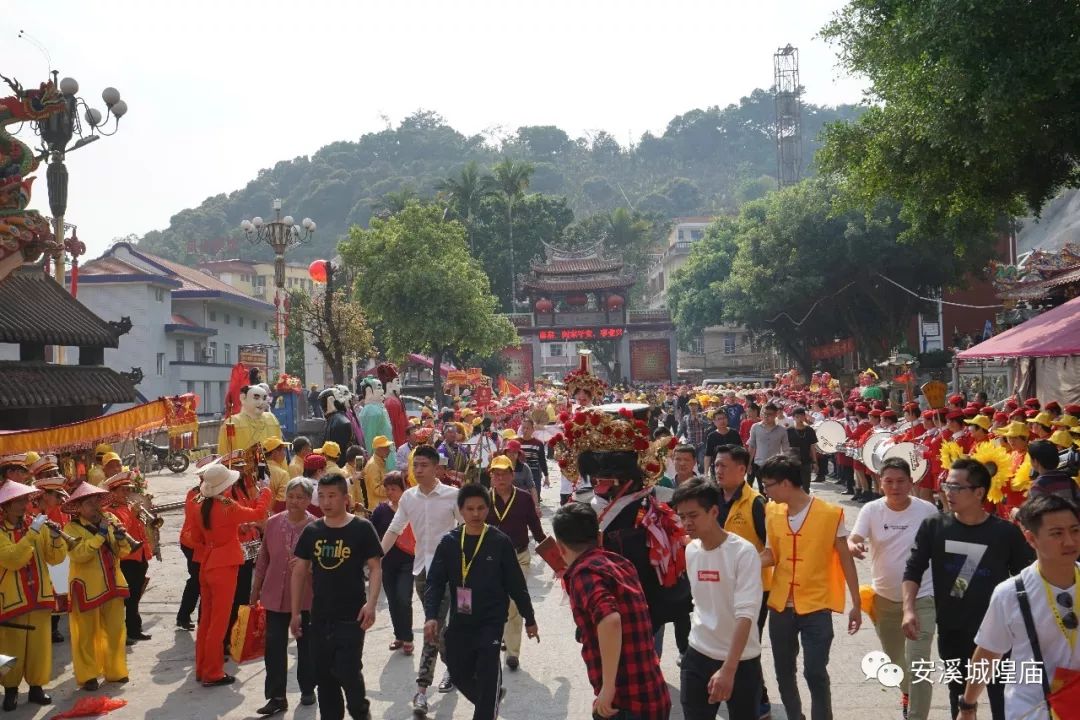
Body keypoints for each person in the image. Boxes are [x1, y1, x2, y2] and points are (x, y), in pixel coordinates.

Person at [902, 458, 1034, 719]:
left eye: (956, 487)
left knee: (1002, 698)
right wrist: (908, 609)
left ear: (979, 492)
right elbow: (913, 569)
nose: (948, 493)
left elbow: (1027, 579)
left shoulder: (1005, 533)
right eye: (946, 486)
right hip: (953, 628)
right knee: (959, 697)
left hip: (998, 634)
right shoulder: (934, 526)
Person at [958, 494, 1080, 720]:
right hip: (1033, 711)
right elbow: (987, 653)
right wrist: (968, 705)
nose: (1070, 541)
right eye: (1057, 534)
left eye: (1075, 530)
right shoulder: (1011, 593)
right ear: (1031, 539)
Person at [759, 455, 861, 720]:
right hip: (781, 605)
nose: (765, 490)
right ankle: (795, 716)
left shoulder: (830, 514)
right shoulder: (772, 511)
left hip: (817, 605)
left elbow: (846, 560)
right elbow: (771, 553)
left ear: (784, 484)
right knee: (783, 671)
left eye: (768, 485)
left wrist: (857, 604)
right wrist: (740, 562)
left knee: (815, 671)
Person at [424, 484, 538, 719]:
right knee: (456, 668)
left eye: (481, 508)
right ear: (461, 511)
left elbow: (516, 584)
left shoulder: (500, 542)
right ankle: (489, 697)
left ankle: (487, 706)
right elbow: (434, 583)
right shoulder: (449, 543)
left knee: (488, 669)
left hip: (491, 620)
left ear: (488, 510)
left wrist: (530, 618)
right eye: (470, 509)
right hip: (461, 618)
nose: (476, 514)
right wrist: (431, 616)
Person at [552, 502, 671, 719]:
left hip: (626, 704)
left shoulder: (584, 574)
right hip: (653, 694)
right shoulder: (620, 563)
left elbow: (611, 620)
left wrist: (608, 689)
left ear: (560, 547)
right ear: (599, 537)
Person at [848, 457, 939, 720]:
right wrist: (854, 545)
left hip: (923, 597)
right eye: (889, 481)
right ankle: (907, 693)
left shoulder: (928, 511)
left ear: (911, 483)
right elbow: (855, 537)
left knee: (919, 663)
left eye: (901, 481)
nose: (895, 487)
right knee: (897, 660)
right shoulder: (872, 510)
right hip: (885, 599)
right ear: (880, 482)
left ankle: (916, 716)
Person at [291, 473, 383, 720]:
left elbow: (375, 567)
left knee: (348, 671)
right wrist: (295, 613)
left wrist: (371, 604)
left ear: (346, 498)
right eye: (321, 496)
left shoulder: (362, 528)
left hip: (352, 616)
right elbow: (299, 572)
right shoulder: (312, 531)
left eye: (332, 496)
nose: (326, 502)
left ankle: (360, 713)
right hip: (320, 616)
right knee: (324, 677)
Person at [379, 445, 461, 715]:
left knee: (432, 626)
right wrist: (375, 558)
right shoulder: (408, 499)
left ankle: (422, 690)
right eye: (415, 465)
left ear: (437, 467)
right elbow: (394, 529)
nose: (418, 470)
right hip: (422, 572)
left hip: (449, 573)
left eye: (424, 465)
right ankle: (456, 668)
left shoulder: (453, 496)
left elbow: (468, 529)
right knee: (438, 627)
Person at [673, 478, 764, 720]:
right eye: (682, 517)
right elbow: (700, 603)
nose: (686, 523)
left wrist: (728, 669)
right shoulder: (691, 550)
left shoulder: (743, 553)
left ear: (714, 511)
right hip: (698, 654)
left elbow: (746, 615)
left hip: (741, 661)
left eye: (693, 515)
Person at [189, 461, 271, 687]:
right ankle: (213, 672)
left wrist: (230, 530)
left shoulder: (199, 506)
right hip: (224, 567)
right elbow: (259, 512)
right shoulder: (227, 506)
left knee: (206, 620)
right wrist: (265, 492)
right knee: (219, 622)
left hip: (207, 563)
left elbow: (197, 538)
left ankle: (202, 667)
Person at [713, 444, 772, 719]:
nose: (718, 470)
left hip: (753, 590)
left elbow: (772, 552)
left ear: (742, 469)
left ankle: (759, 701)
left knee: (747, 646)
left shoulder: (757, 503)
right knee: (724, 642)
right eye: (716, 465)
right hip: (717, 587)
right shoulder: (710, 500)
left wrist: (744, 567)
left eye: (724, 466)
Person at [251, 478, 317, 716]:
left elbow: (325, 566)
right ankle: (277, 696)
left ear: (309, 500)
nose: (294, 501)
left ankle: (308, 688)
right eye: (291, 496)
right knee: (274, 646)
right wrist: (255, 590)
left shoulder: (317, 528)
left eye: (300, 497)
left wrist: (308, 567)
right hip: (274, 595)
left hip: (306, 598)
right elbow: (263, 558)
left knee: (306, 645)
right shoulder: (272, 522)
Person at [0, 479, 67, 710]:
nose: (22, 505)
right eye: (16, 502)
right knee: (11, 649)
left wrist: (58, 539)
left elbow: (55, 559)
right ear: (5, 507)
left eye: (23, 500)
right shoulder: (1, 532)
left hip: (40, 596)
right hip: (11, 600)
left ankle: (37, 688)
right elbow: (13, 559)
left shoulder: (36, 525)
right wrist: (32, 533)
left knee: (39, 647)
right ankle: (10, 690)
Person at [61, 482, 132, 691]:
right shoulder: (70, 528)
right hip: (87, 588)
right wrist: (100, 535)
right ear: (79, 508)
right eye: (89, 503)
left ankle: (116, 671)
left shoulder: (110, 519)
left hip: (113, 583)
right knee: (86, 634)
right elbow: (79, 554)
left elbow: (123, 552)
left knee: (116, 630)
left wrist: (121, 539)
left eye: (96, 502)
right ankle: (88, 675)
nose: (95, 507)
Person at [486, 454, 546, 671]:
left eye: (504, 473)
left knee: (513, 603)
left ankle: (512, 652)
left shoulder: (522, 498)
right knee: (498, 602)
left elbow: (536, 529)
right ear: (491, 477)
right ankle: (503, 636)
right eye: (496, 474)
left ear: (513, 475)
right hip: (491, 561)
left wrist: (557, 559)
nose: (500, 478)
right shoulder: (483, 500)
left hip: (519, 557)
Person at [104, 471, 153, 645]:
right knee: (128, 598)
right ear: (113, 492)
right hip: (126, 558)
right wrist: (133, 515)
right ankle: (129, 630)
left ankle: (134, 629)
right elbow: (121, 532)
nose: (127, 493)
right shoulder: (109, 511)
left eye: (128, 490)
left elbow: (141, 530)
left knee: (135, 597)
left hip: (139, 555)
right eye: (123, 490)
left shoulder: (128, 506)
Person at [370, 472, 416, 657]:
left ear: (403, 489)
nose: (390, 492)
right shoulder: (380, 510)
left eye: (394, 489)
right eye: (387, 488)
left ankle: (408, 638)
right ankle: (399, 636)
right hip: (386, 563)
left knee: (404, 598)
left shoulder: (411, 509)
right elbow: (371, 533)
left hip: (408, 561)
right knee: (393, 601)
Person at [176, 477, 202, 632]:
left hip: (203, 544)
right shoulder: (194, 494)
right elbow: (196, 513)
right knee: (197, 580)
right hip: (192, 543)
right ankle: (184, 616)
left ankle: (186, 616)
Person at [747, 403, 790, 493]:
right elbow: (752, 446)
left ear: (775, 415)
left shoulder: (782, 430)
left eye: (769, 414)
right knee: (761, 490)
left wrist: (786, 465)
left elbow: (786, 450)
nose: (766, 416)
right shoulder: (755, 427)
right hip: (759, 464)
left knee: (774, 491)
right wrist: (748, 463)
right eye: (764, 413)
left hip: (774, 466)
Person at [786, 407, 819, 492]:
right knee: (793, 486)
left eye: (801, 416)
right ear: (793, 417)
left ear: (805, 417)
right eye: (797, 417)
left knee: (806, 486)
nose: (799, 419)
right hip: (792, 462)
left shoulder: (810, 430)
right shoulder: (789, 430)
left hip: (806, 461)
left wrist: (815, 462)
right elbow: (784, 447)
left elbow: (812, 447)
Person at [704, 411, 741, 479]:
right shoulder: (711, 436)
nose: (722, 421)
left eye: (724, 418)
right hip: (717, 470)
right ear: (714, 422)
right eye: (719, 419)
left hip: (732, 469)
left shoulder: (734, 433)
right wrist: (706, 473)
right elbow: (708, 455)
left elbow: (741, 452)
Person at [517, 418, 549, 493]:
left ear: (532, 429)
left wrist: (546, 476)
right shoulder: (517, 442)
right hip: (519, 474)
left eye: (527, 428)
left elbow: (542, 460)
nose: (525, 430)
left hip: (534, 474)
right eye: (523, 428)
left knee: (535, 498)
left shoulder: (538, 444)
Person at [678, 398, 709, 470]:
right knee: (690, 462)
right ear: (688, 407)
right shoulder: (685, 417)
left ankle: (702, 477)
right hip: (690, 444)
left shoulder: (702, 415)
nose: (693, 407)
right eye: (691, 405)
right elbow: (681, 429)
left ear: (697, 406)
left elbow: (708, 425)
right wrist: (675, 439)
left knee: (701, 462)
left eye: (694, 405)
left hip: (701, 444)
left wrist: (699, 419)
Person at [363, 436, 392, 513]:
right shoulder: (373, 465)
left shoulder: (380, 462)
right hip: (377, 509)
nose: (389, 451)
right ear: (378, 449)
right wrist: (392, 488)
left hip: (383, 505)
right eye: (386, 448)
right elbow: (376, 489)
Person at [263, 438, 291, 513]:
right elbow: (282, 502)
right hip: (273, 517)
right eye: (283, 450)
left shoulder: (255, 469)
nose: (285, 453)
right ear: (275, 453)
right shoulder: (282, 474)